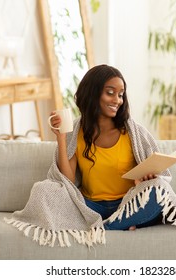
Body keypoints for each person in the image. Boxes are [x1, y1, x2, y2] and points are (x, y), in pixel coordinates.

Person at [49, 64, 164, 231]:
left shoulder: (133, 133)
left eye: (120, 94)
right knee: (46, 191)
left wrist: (144, 181)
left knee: (160, 193)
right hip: (90, 206)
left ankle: (106, 227)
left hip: (128, 204)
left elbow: (150, 177)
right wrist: (61, 137)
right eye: (110, 93)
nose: (117, 100)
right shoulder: (76, 132)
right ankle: (121, 224)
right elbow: (67, 182)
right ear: (92, 93)